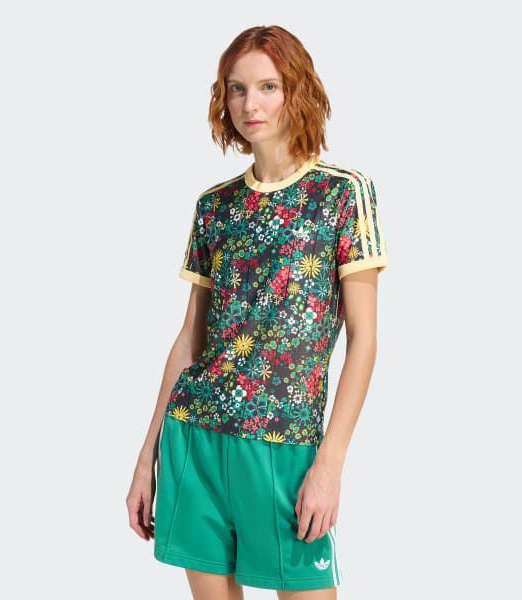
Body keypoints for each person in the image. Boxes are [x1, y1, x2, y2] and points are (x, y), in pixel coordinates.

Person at [126, 24, 388, 599]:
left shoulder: (343, 194)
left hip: (286, 444)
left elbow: (364, 341)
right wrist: (147, 457)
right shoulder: (214, 206)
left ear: (298, 90)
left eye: (268, 86)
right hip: (194, 436)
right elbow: (190, 341)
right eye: (237, 88)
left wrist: (329, 464)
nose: (251, 104)